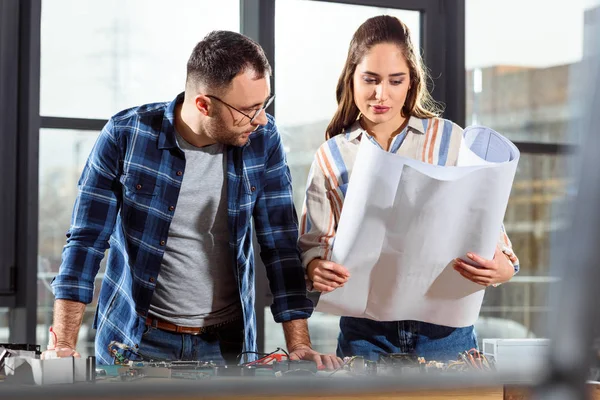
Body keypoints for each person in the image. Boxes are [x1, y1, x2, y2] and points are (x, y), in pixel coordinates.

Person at [48, 30, 340, 369]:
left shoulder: (264, 138)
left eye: (265, 105)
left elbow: (280, 245)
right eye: (248, 110)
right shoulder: (126, 135)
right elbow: (85, 242)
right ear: (203, 104)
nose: (260, 119)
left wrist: (299, 344)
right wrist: (63, 347)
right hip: (136, 342)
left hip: (226, 346)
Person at [298, 15, 520, 362]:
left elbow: (491, 231)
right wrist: (315, 268)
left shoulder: (450, 139)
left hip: (446, 332)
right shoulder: (332, 155)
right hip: (366, 335)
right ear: (351, 78)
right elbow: (314, 245)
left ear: (411, 82)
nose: (380, 94)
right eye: (369, 79)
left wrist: (502, 267)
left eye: (395, 81)